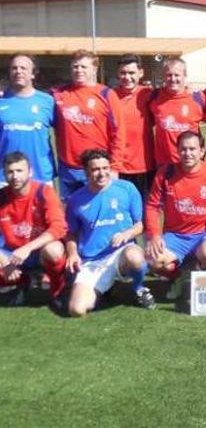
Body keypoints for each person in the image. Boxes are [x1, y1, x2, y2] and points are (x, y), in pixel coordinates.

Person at [144, 132, 206, 300]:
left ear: (202, 152)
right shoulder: (166, 173)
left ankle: (203, 275)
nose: (187, 153)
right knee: (152, 260)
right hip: (176, 235)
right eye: (183, 149)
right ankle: (180, 277)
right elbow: (152, 206)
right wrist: (154, 235)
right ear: (177, 151)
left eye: (192, 149)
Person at [65, 149, 151, 317]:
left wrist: (126, 234)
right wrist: (72, 253)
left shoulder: (127, 188)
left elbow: (140, 226)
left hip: (120, 254)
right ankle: (106, 287)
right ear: (86, 172)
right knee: (76, 310)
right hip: (92, 261)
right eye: (95, 169)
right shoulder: (75, 200)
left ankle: (139, 288)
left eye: (105, 168)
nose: (102, 173)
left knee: (135, 256)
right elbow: (71, 233)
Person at [53, 50, 126, 197]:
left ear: (94, 69)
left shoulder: (106, 94)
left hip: (96, 167)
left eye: (83, 67)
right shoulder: (59, 94)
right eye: (75, 66)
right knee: (70, 214)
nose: (79, 70)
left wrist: (114, 167)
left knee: (97, 213)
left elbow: (118, 133)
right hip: (68, 169)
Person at [0, 152, 67, 307]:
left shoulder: (43, 192)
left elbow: (59, 228)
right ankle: (23, 281)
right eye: (10, 172)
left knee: (54, 249)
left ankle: (58, 290)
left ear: (30, 171)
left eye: (19, 171)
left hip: (39, 251)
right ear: (4, 174)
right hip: (14, 255)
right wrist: (4, 261)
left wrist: (27, 248)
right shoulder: (1, 197)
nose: (15, 176)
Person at [0, 54, 56, 183]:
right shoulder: (2, 101)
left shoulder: (47, 101)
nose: (18, 71)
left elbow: (65, 134)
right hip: (5, 177)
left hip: (40, 176)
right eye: (14, 68)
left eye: (23, 68)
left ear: (33, 74)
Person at [149, 58, 205, 167]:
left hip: (190, 162)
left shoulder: (198, 97)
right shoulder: (154, 97)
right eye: (169, 75)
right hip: (164, 163)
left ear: (185, 75)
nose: (173, 79)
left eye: (177, 75)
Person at [114, 54, 156, 197]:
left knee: (145, 211)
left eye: (131, 73)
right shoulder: (109, 96)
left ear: (140, 73)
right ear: (117, 74)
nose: (127, 77)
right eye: (123, 73)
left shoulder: (149, 95)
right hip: (118, 167)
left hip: (145, 166)